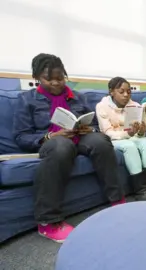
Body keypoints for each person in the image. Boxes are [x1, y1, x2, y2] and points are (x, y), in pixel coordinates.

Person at [12, 53, 125, 243]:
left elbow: (95, 124)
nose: (56, 83)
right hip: (52, 142)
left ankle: (117, 200)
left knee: (101, 141)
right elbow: (20, 136)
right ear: (37, 78)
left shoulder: (78, 97)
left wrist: (90, 128)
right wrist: (49, 136)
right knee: (61, 146)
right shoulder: (26, 100)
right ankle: (48, 222)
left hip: (79, 137)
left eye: (60, 78)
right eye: (49, 79)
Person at [96, 77, 146, 203]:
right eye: (121, 92)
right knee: (129, 146)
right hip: (114, 139)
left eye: (129, 92)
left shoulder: (136, 106)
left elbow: (140, 134)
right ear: (111, 91)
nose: (126, 95)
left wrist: (142, 130)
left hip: (132, 136)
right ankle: (140, 190)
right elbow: (107, 132)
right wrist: (127, 133)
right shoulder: (102, 106)